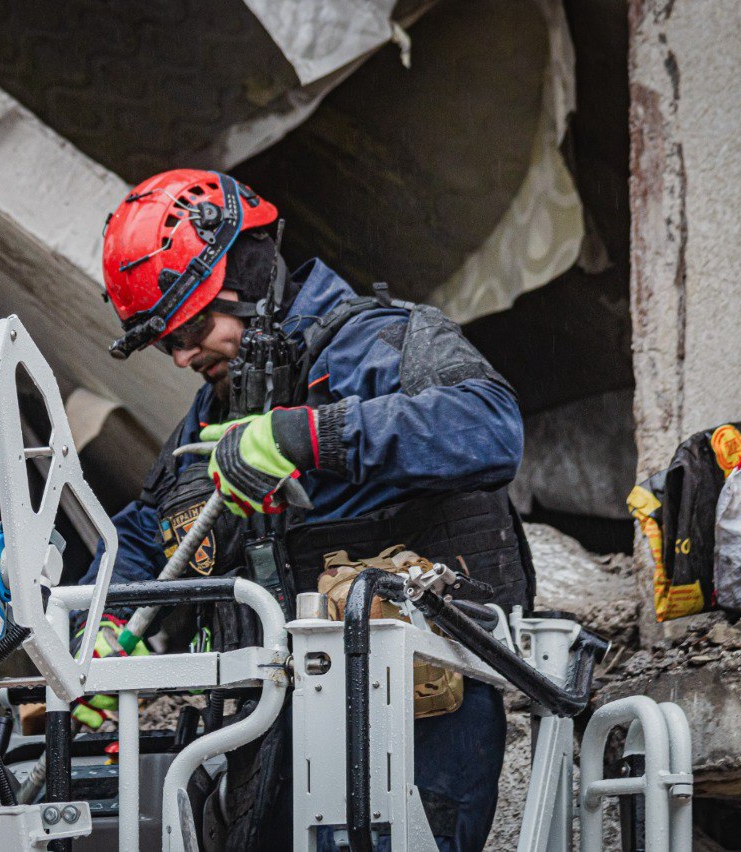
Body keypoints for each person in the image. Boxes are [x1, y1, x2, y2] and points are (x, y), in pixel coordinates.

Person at [88, 169, 535, 852]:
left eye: (195, 327)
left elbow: (488, 426)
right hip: (269, 734)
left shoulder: (371, 343)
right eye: (165, 342)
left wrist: (310, 437)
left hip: (412, 722)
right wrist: (102, 623)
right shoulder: (215, 414)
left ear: (251, 270)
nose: (181, 356)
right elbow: (153, 530)